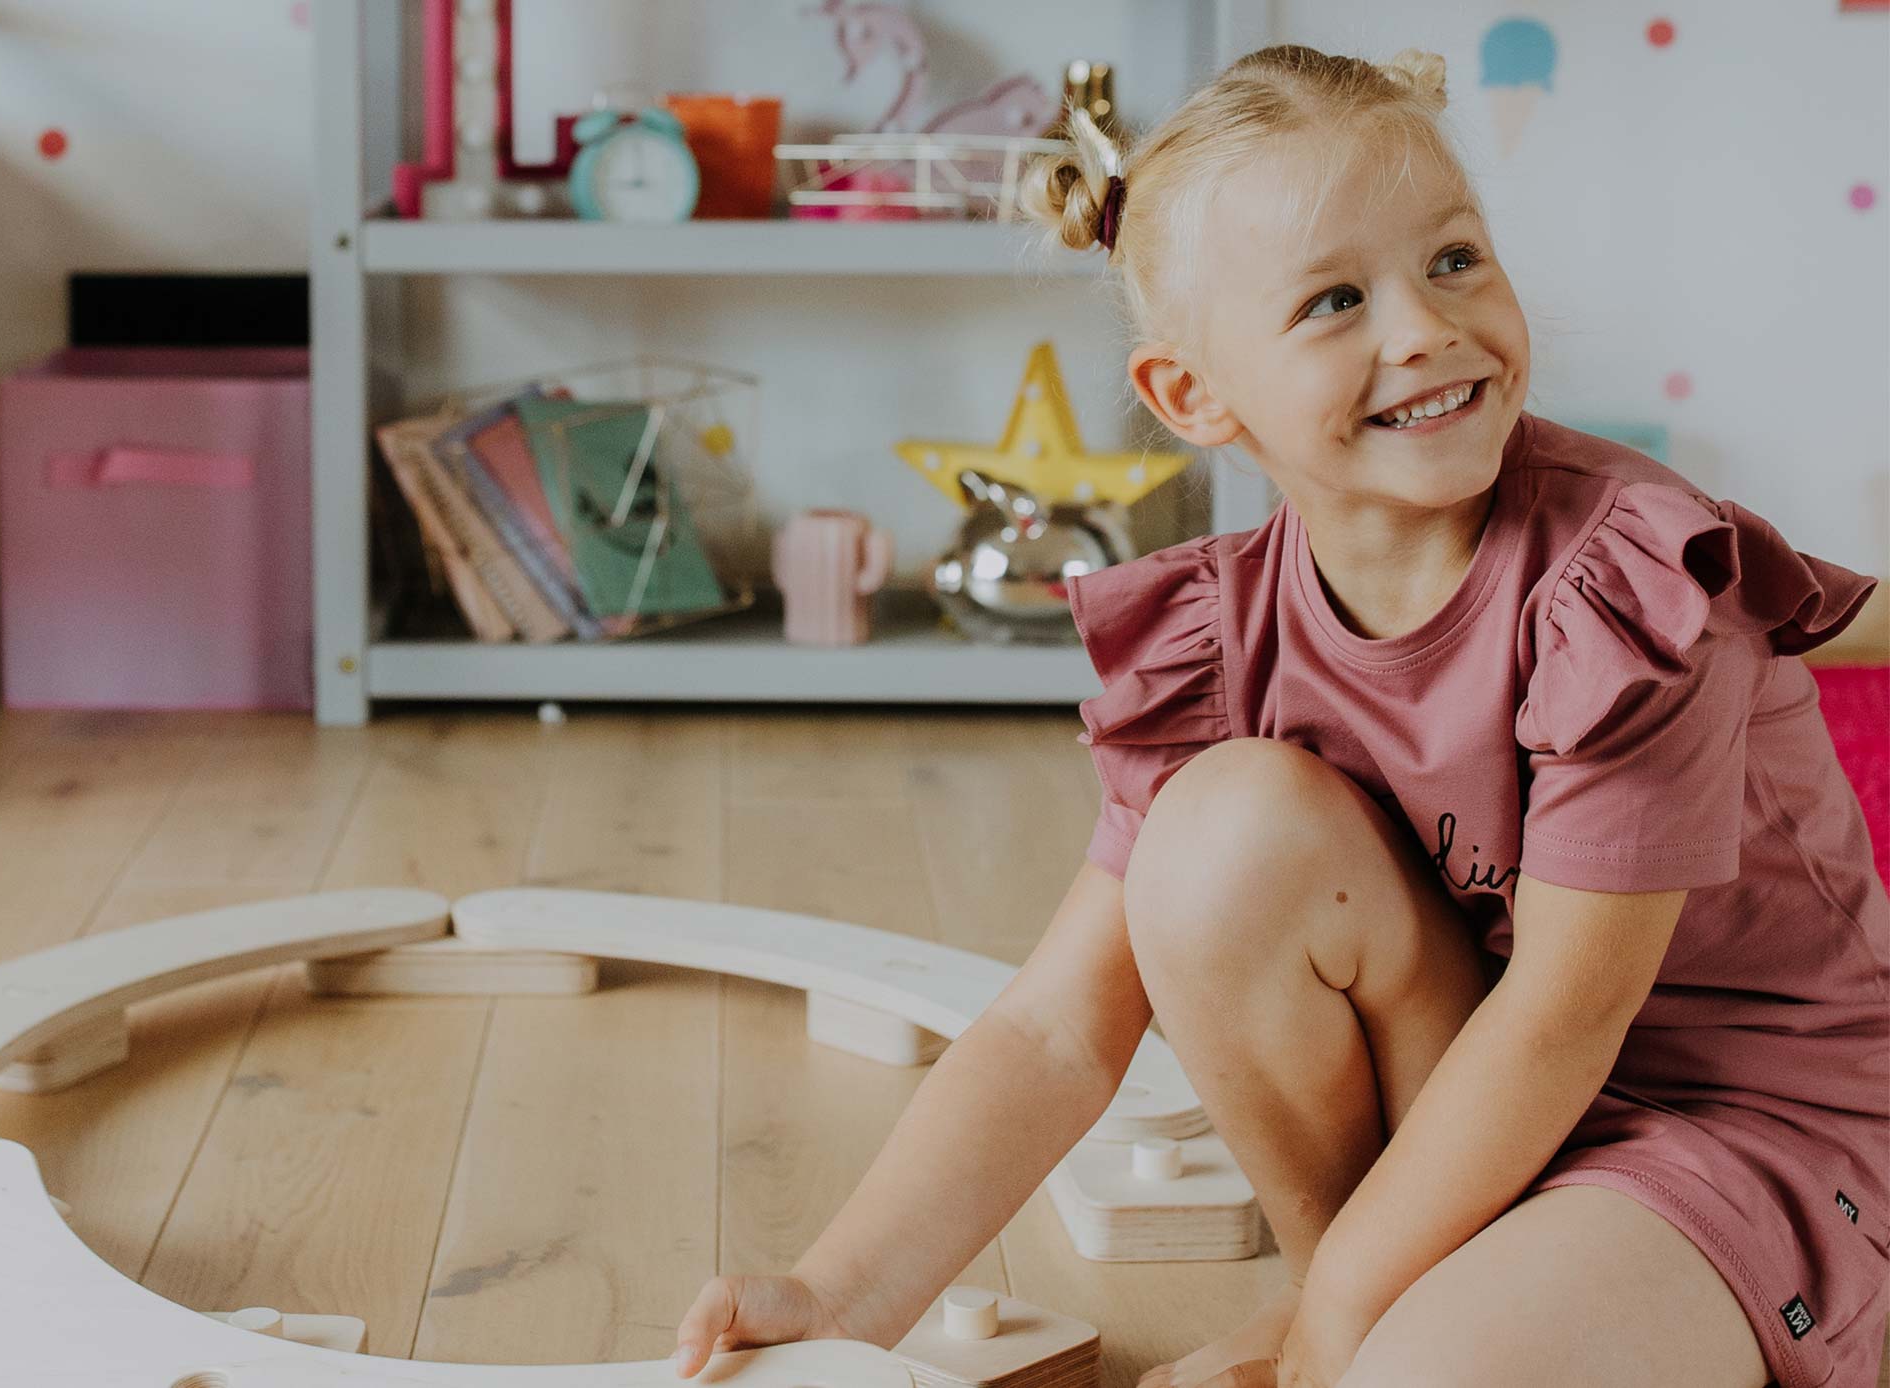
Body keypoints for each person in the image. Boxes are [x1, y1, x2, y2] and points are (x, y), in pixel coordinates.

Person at [671, 43, 1887, 1388]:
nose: (1424, 328)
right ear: (1194, 396)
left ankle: (1370, 1316)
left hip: (1757, 1127)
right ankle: (1364, 1296)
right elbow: (1060, 1026)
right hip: (1487, 1108)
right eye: (1332, 302)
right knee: (1219, 843)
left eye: (1454, 260)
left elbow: (1560, 1018)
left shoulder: (1632, 588)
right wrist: (841, 1295)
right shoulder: (1224, 633)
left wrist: (1340, 1334)